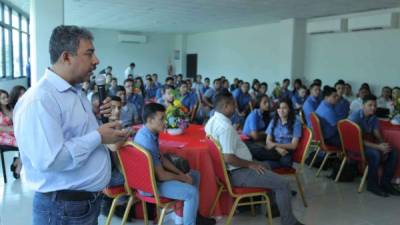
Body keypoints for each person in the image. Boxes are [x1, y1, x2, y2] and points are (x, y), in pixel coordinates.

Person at [13, 25, 129, 225]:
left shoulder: (75, 92)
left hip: (84, 204)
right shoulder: (40, 100)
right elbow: (51, 159)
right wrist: (99, 136)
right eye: (89, 53)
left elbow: (74, 134)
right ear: (66, 57)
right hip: (62, 209)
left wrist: (97, 118)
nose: (96, 61)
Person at [205, 91, 304, 225]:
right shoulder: (225, 128)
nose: (236, 107)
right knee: (284, 184)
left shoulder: (212, 121)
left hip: (227, 172)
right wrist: (250, 164)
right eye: (233, 105)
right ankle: (289, 222)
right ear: (226, 106)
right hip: (237, 172)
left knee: (267, 166)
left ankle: (271, 207)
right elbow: (228, 157)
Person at [134, 103, 215, 225]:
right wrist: (183, 178)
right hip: (150, 186)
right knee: (191, 193)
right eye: (161, 119)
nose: (165, 122)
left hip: (149, 179)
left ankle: (193, 215)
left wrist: (180, 173)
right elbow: (161, 175)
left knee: (195, 175)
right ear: (150, 120)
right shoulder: (147, 141)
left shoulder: (146, 132)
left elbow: (160, 158)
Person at [348, 94, 400, 197]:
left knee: (393, 151)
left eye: (375, 105)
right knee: (375, 154)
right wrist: (378, 147)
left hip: (365, 143)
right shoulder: (355, 117)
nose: (373, 108)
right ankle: (372, 184)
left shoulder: (374, 117)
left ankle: (386, 183)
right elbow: (357, 140)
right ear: (363, 106)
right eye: (370, 105)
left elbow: (376, 133)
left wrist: (383, 144)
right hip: (353, 146)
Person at [264, 98, 302, 169]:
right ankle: (267, 164)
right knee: (260, 151)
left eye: (284, 108)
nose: (281, 110)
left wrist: (275, 144)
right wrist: (277, 148)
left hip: (287, 150)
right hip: (274, 149)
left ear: (289, 109)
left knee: (286, 163)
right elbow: (267, 140)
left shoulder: (296, 122)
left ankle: (266, 164)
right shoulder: (274, 120)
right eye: (279, 108)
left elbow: (294, 145)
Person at [0, 89, 20, 179]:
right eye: (3, 98)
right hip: (2, 136)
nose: (6, 99)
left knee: (29, 141)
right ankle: (18, 165)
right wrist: (12, 129)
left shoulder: (12, 108)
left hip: (13, 132)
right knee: (23, 143)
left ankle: (17, 162)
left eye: (7, 97)